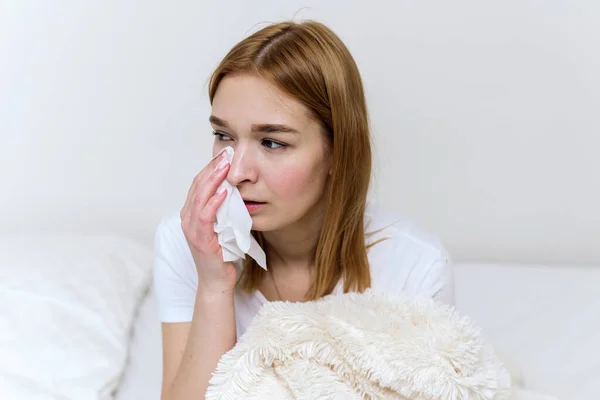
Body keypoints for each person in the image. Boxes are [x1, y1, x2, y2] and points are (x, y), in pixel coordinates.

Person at [153, 19, 454, 400]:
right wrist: (214, 287)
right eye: (224, 136)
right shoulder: (187, 242)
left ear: (338, 150)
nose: (238, 172)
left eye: (273, 142)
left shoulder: (415, 266)